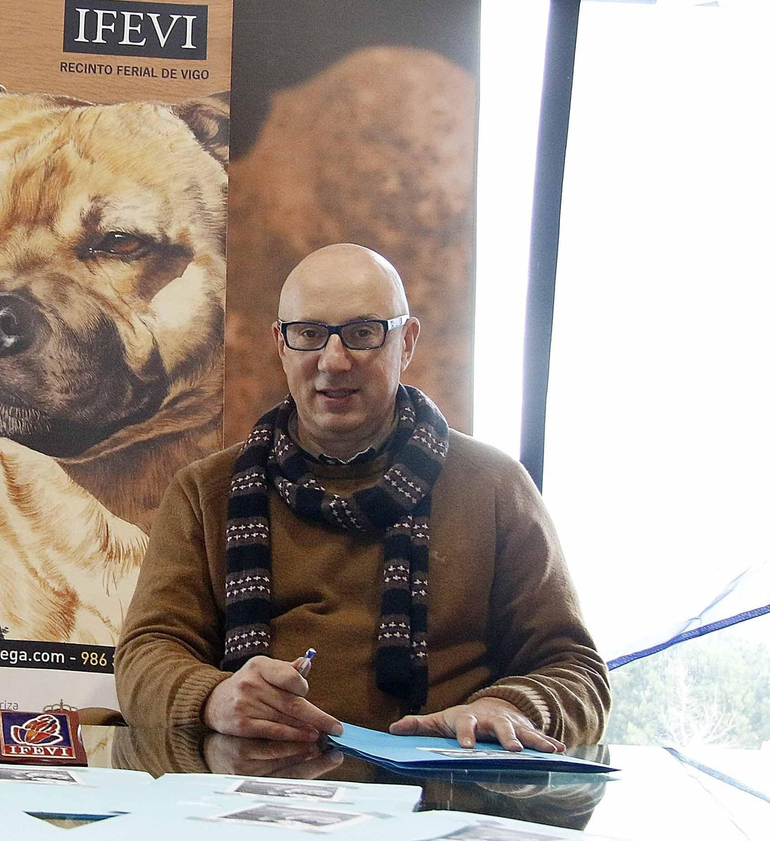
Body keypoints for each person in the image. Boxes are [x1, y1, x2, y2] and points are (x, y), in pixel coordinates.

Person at [114, 244, 608, 750]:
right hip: (258, 803)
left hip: (443, 798)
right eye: (308, 334)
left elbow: (576, 671)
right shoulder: (206, 492)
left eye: (363, 333)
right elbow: (146, 656)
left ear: (407, 341)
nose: (334, 360)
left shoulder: (495, 485)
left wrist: (505, 709)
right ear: (280, 345)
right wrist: (214, 696)